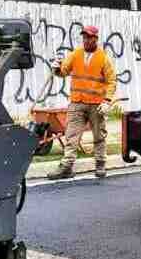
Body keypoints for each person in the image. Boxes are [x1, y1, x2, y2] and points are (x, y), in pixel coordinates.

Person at [47, 26, 117, 180]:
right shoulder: (75, 54)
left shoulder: (103, 58)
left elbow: (112, 81)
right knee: (71, 136)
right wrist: (57, 69)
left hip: (96, 105)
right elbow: (64, 71)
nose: (86, 40)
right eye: (84, 37)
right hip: (77, 103)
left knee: (99, 135)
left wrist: (107, 101)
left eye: (89, 37)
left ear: (95, 39)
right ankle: (66, 167)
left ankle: (100, 164)